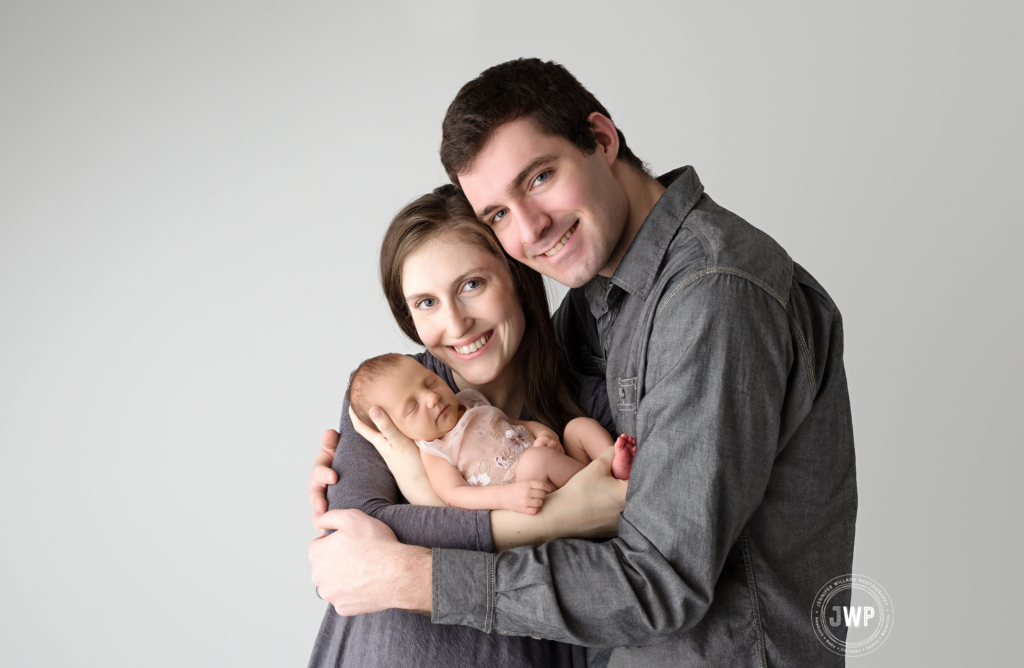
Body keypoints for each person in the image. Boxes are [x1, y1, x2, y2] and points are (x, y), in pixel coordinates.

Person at [309, 58, 858, 667]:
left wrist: (413, 575)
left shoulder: (714, 295)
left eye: (539, 177)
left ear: (601, 138)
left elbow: (658, 580)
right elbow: (351, 547)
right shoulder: (595, 303)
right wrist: (379, 488)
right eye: (497, 214)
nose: (531, 228)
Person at [307, 184, 628, 668]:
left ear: (517, 277)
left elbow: (628, 572)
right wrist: (563, 517)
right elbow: (350, 540)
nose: (455, 325)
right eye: (426, 303)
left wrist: (408, 537)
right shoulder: (385, 397)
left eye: (471, 285)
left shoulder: (593, 405)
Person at [345, 353, 637, 513]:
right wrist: (506, 498)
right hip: (532, 498)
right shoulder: (434, 451)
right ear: (397, 430)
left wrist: (546, 434)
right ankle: (605, 487)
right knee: (535, 463)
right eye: (412, 406)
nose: (431, 398)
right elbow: (454, 496)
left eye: (430, 383)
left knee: (578, 426)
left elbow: (516, 423)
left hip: (555, 466)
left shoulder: (471, 400)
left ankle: (613, 465)